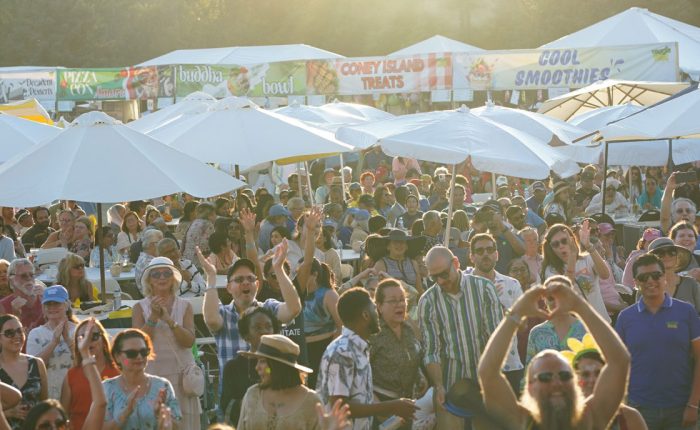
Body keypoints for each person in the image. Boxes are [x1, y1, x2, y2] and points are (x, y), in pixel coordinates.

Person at [478, 275, 630, 430]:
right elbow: (487, 373)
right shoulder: (521, 422)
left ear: (576, 382)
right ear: (530, 386)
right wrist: (516, 313)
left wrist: (579, 306)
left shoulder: (590, 420)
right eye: (545, 377)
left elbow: (619, 361)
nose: (557, 383)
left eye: (565, 376)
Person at [418, 246, 502, 429]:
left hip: (485, 380)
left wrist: (492, 382)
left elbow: (495, 340)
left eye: (444, 274)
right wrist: (439, 385)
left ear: (456, 263)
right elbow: (432, 351)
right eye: (434, 277)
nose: (440, 281)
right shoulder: (427, 301)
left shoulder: (484, 288)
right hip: (449, 383)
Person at [202, 240, 302, 391]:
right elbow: (210, 319)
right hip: (235, 398)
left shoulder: (268, 309)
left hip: (270, 392)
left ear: (258, 285)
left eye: (250, 279)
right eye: (239, 279)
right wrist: (211, 276)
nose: (246, 283)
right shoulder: (223, 313)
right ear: (229, 288)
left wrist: (278, 269)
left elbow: (293, 309)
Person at [616, 253, 700, 429]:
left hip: (680, 407)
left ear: (665, 278)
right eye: (643, 277)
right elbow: (618, 366)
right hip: (639, 408)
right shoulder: (625, 318)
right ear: (636, 283)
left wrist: (693, 405)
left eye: (655, 275)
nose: (650, 281)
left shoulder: (686, 312)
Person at [316, 287, 417, 430]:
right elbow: (339, 405)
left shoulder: (359, 347)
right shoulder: (342, 352)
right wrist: (392, 406)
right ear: (365, 315)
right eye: (374, 309)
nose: (377, 314)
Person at [132, 256, 200, 430]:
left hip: (181, 376)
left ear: (173, 278)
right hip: (152, 375)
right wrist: (154, 318)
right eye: (156, 274)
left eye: (166, 273)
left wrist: (170, 321)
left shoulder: (185, 306)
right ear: (149, 280)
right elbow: (138, 345)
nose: (162, 278)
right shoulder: (139, 308)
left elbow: (189, 341)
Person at [468, 233, 525, 392]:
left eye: (490, 249)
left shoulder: (512, 284)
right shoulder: (464, 285)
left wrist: (498, 305)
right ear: (471, 257)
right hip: (476, 365)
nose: (485, 254)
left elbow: (522, 325)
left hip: (510, 364)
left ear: (497, 254)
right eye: (479, 251)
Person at [297, 210, 342, 387]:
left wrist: (331, 348)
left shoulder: (328, 294)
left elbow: (341, 324)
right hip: (302, 349)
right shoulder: (298, 294)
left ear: (314, 275)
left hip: (324, 346)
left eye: (304, 273)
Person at [237, 335, 321, 429]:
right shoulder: (252, 395)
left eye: (262, 361)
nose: (257, 368)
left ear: (278, 366)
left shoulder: (312, 402)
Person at [102, 329, 182, 429]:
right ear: (117, 357)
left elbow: (179, 426)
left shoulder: (162, 386)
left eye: (144, 352)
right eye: (132, 353)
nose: (139, 357)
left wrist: (161, 415)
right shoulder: (107, 388)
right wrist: (125, 413)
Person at [566, 334, 648, 429]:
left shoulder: (629, 417)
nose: (592, 380)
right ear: (576, 380)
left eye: (598, 373)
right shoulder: (568, 418)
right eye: (585, 374)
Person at [369, 279, 423, 411]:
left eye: (402, 299)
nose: (399, 304)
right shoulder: (373, 335)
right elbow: (359, 376)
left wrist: (421, 377)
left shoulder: (408, 329)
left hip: (410, 403)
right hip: (383, 405)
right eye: (393, 301)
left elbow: (416, 355)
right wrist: (378, 408)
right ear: (379, 306)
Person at [220, 307, 280, 425]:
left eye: (268, 326)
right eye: (257, 328)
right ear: (246, 335)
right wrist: (255, 403)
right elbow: (227, 405)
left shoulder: (282, 364)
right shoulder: (233, 367)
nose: (264, 331)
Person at [542, 222, 611, 322]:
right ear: (551, 248)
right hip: (575, 328)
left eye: (564, 241)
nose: (561, 246)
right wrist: (572, 257)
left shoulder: (587, 258)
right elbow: (564, 290)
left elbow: (605, 275)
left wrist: (588, 246)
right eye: (555, 244)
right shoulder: (551, 270)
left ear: (572, 240)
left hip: (600, 322)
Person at [61, 318, 119, 430]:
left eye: (94, 336)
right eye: (82, 337)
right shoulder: (71, 375)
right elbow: (63, 415)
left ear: (103, 340)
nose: (88, 341)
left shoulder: (118, 371)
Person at [25, 286, 76, 401]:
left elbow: (83, 363)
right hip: (47, 394)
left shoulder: (78, 331)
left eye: (57, 303)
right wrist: (53, 343)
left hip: (74, 392)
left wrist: (67, 339)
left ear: (66, 305)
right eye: (48, 304)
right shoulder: (36, 334)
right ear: (43, 308)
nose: (52, 308)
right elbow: (33, 368)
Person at [0, 314, 48, 430]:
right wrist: (8, 413)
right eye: (9, 333)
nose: (17, 336)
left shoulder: (37, 364)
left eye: (19, 331)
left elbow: (45, 405)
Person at [647, 237, 700, 313]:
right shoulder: (645, 287)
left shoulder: (691, 284)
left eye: (671, 252)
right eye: (660, 253)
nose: (667, 255)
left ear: (677, 256)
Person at [367, 229, 425, 296]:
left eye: (402, 242)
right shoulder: (381, 264)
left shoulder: (413, 263)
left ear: (406, 246)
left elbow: (419, 289)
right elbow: (375, 290)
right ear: (388, 247)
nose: (399, 245)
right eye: (395, 242)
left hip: (413, 303)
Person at [0, 259, 45, 333]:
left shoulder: (44, 298)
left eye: (31, 275)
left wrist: (47, 304)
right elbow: (5, 340)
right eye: (23, 276)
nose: (29, 278)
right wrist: (15, 316)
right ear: (11, 279)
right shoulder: (3, 306)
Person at [134, 229, 164, 294]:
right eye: (160, 243)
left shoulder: (143, 257)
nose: (163, 246)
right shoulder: (150, 263)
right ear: (151, 244)